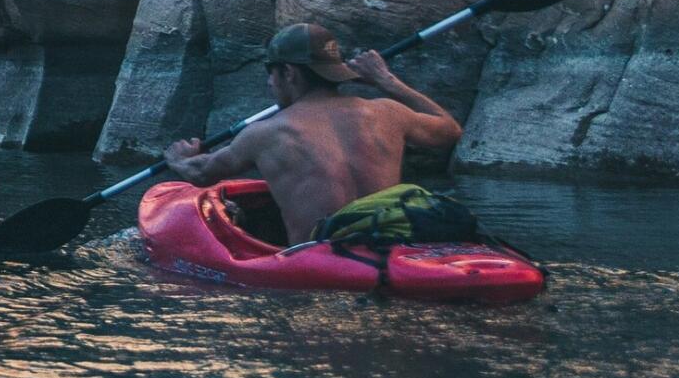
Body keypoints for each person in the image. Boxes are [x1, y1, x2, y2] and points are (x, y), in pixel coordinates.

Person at [165, 24, 468, 243]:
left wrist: (180, 158)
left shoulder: (266, 133)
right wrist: (387, 81)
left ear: (288, 73)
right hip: (393, 243)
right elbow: (450, 129)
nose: (270, 84)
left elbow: (201, 174)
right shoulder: (388, 112)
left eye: (271, 73)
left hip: (318, 262)